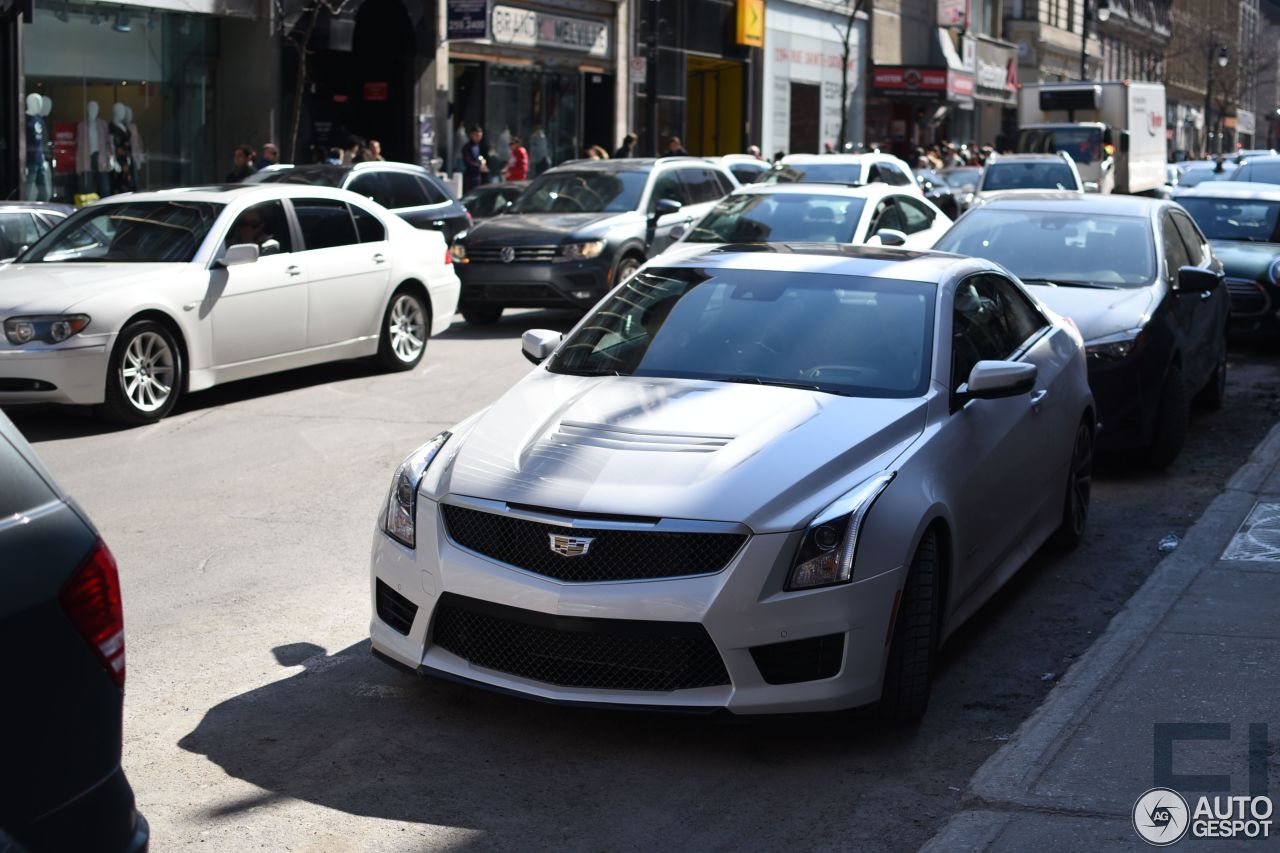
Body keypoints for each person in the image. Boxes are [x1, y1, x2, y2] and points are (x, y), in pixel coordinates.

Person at [462, 125, 488, 193]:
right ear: (472, 135)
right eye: (476, 135)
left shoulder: (478, 146)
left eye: (480, 136)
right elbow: (467, 161)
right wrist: (479, 167)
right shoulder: (467, 147)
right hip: (470, 177)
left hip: (478, 176)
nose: (478, 138)